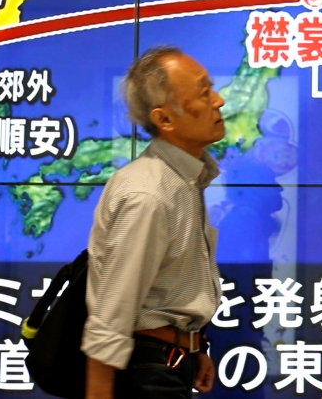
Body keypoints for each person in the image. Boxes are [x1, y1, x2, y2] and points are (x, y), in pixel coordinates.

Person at [82, 46, 225, 399]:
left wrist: (195, 349)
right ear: (165, 120)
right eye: (204, 92)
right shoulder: (148, 194)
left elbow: (169, 288)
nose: (219, 101)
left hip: (170, 360)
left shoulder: (183, 180)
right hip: (147, 371)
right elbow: (111, 314)